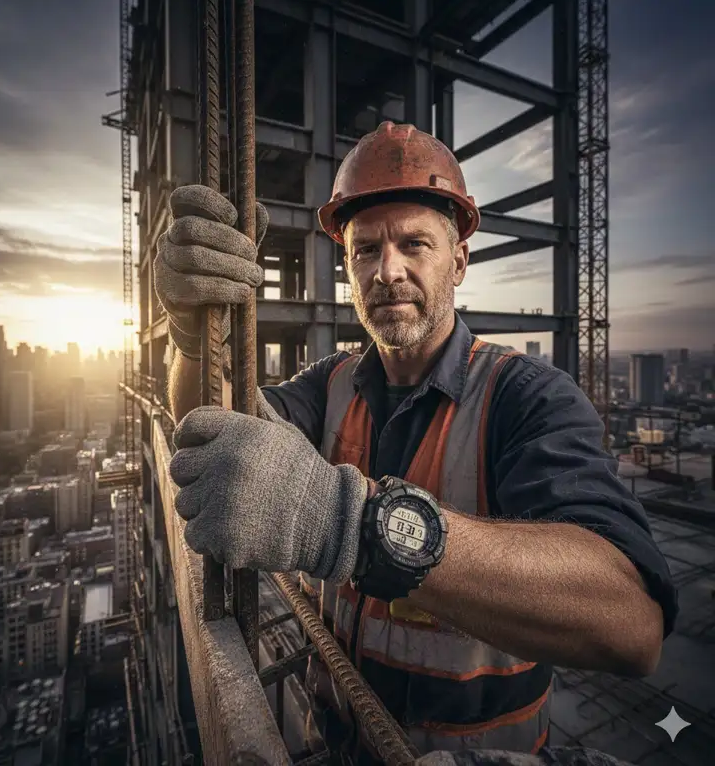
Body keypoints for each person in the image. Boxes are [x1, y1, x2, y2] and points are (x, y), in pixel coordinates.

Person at [153, 121, 677, 763]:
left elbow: (631, 625)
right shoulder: (335, 384)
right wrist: (193, 339)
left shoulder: (527, 397)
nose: (387, 270)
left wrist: (353, 524)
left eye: (413, 244)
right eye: (366, 250)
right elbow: (218, 429)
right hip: (337, 741)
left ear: (458, 259)